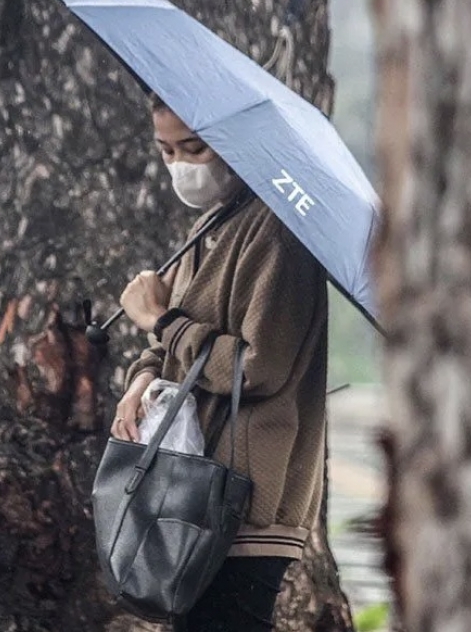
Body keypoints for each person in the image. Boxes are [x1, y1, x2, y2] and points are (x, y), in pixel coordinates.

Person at [111, 94, 328, 631]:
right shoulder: (212, 226)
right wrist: (139, 381)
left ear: (232, 144)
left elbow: (257, 367)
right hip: (190, 486)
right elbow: (170, 349)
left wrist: (161, 321)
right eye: (165, 151)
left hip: (248, 501)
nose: (180, 165)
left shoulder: (278, 236)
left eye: (194, 147)